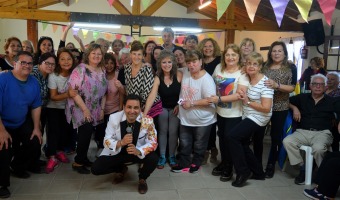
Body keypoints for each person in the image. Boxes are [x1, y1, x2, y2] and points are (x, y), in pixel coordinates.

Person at [91, 94, 158, 195]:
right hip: (118, 153)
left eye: (136, 108)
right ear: (123, 107)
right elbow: (106, 140)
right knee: (96, 169)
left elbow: (153, 142)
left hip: (136, 154)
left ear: (141, 108)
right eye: (129, 107)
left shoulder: (148, 120)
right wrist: (120, 142)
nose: (132, 111)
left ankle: (142, 178)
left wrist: (139, 151)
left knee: (154, 158)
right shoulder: (114, 118)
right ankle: (121, 169)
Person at [283, 74, 340, 185]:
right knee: (287, 141)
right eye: (315, 84)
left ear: (325, 87)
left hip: (322, 133)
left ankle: (324, 173)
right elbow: (286, 101)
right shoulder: (302, 97)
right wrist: (294, 108)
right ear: (310, 86)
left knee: (318, 149)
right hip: (302, 131)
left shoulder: (332, 101)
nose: (318, 86)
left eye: (321, 84)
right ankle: (302, 167)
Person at [228, 52, 274, 187]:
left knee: (232, 137)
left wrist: (248, 102)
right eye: (248, 63)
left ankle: (243, 172)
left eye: (255, 64)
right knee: (241, 142)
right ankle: (258, 172)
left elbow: (266, 108)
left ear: (260, 67)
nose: (251, 66)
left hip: (260, 116)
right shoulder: (246, 78)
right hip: (248, 114)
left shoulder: (265, 83)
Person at [0, 51, 42, 198]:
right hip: (2, 123)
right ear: (15, 63)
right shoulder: (3, 79)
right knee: (3, 147)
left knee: (35, 141)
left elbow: (36, 106)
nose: (27, 66)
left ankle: (17, 166)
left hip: (20, 122)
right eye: (23, 62)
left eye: (30, 63)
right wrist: (1, 130)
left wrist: (36, 128)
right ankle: (2, 184)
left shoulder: (33, 82)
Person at [208, 44, 249, 182]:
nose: (230, 58)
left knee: (230, 140)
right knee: (223, 141)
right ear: (224, 56)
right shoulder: (219, 68)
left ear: (238, 57)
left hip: (235, 114)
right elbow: (212, 83)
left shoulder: (242, 74)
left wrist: (219, 98)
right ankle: (224, 162)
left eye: (233, 55)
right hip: (220, 111)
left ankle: (229, 168)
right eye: (227, 55)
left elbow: (239, 95)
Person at [171, 50, 216, 174]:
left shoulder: (207, 79)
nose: (191, 65)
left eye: (194, 62)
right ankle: (184, 163)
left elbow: (210, 100)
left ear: (201, 62)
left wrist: (192, 103)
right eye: (189, 62)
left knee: (199, 144)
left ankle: (196, 162)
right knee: (185, 142)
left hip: (203, 119)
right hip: (185, 117)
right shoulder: (185, 72)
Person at [66, 43, 107, 174]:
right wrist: (85, 109)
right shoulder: (80, 69)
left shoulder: (102, 70)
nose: (96, 56)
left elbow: (105, 92)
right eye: (94, 53)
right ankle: (78, 162)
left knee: (88, 133)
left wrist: (101, 109)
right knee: (85, 131)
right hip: (80, 106)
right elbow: (73, 91)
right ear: (88, 54)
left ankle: (83, 158)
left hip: (95, 106)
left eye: (99, 53)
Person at [262, 41, 296, 179]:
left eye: (279, 51)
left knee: (275, 137)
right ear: (270, 53)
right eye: (274, 51)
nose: (276, 53)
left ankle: (271, 165)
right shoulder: (264, 66)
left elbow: (292, 87)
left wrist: (277, 85)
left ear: (284, 53)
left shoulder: (291, 67)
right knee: (257, 135)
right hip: (263, 105)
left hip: (280, 106)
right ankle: (256, 163)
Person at [144, 50, 182, 169]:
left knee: (173, 131)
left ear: (173, 63)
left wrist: (179, 105)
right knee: (163, 130)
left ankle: (171, 155)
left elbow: (184, 93)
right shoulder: (158, 77)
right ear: (160, 63)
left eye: (169, 62)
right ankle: (162, 156)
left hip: (176, 107)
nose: (167, 65)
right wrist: (144, 113)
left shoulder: (179, 75)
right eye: (164, 62)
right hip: (163, 108)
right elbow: (152, 95)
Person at [45, 48, 77, 173]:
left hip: (67, 108)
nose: (66, 62)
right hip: (53, 108)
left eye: (69, 59)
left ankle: (60, 151)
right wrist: (68, 94)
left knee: (64, 132)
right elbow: (53, 96)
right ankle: (52, 157)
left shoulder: (75, 73)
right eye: (62, 59)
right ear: (58, 61)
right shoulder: (53, 75)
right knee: (53, 133)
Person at [197, 38, 221, 164]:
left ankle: (212, 148)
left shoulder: (220, 60)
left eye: (210, 46)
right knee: (206, 124)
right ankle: (207, 149)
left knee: (212, 124)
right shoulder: (200, 61)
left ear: (214, 47)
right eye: (205, 46)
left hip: (217, 96)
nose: (207, 48)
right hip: (202, 96)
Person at [95, 53, 123, 157]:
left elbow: (121, 94)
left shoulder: (118, 74)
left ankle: (112, 150)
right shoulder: (99, 75)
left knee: (113, 131)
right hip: (100, 109)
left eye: (112, 63)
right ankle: (101, 148)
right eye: (106, 63)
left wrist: (120, 110)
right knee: (100, 131)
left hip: (114, 108)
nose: (109, 65)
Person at [124, 41, 161, 117]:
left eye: (139, 54)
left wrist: (138, 107)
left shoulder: (147, 68)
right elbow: (128, 89)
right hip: (135, 106)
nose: (136, 57)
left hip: (150, 106)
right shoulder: (127, 67)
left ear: (143, 56)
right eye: (134, 54)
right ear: (130, 55)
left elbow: (147, 92)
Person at [325, 72, 340, 151]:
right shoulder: (323, 89)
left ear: (338, 82)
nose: (329, 80)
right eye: (328, 78)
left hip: (334, 120)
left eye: (332, 79)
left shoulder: (338, 93)